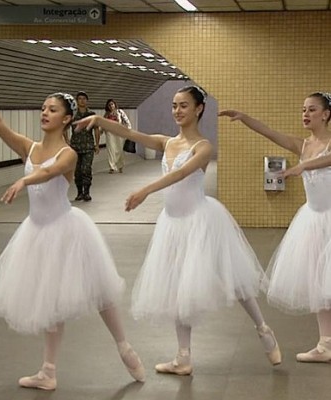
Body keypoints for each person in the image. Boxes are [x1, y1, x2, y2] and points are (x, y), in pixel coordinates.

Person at [0, 78, 145, 390]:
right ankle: (48, 371)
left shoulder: (69, 153)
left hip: (67, 229)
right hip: (36, 232)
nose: (45, 113)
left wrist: (25, 181)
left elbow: (50, 172)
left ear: (66, 118)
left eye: (52, 109)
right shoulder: (30, 147)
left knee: (100, 291)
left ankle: (124, 346)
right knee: (51, 300)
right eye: (43, 108)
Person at [75, 85, 281, 375]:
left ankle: (262, 327)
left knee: (234, 278)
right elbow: (131, 135)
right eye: (174, 105)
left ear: (198, 109)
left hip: (201, 220)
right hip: (172, 225)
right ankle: (183, 356)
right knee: (178, 289)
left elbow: (181, 174)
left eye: (183, 105)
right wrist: (99, 121)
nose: (177, 111)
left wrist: (146, 189)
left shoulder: (204, 147)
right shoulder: (166, 142)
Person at [219, 91, 331, 363]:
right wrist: (245, 118)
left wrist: (302, 167)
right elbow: (270, 133)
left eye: (312, 110)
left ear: (327, 114)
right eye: (303, 109)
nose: (305, 114)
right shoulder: (303, 145)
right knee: (321, 284)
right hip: (313, 222)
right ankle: (325, 344)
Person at [69, 91, 100, 201]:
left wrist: (97, 144)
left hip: (88, 146)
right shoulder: (72, 114)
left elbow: (96, 129)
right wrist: (66, 142)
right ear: (77, 101)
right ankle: (79, 192)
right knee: (77, 171)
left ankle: (86, 192)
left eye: (84, 99)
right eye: (79, 99)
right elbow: (64, 127)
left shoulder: (91, 114)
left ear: (87, 101)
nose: (82, 101)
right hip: (75, 147)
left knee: (86, 169)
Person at [103, 99, 131, 173]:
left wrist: (129, 130)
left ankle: (120, 166)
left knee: (120, 149)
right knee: (111, 150)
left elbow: (126, 121)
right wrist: (102, 131)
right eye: (109, 105)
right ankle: (112, 167)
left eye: (112, 104)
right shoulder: (106, 114)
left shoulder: (120, 112)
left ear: (115, 104)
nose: (111, 106)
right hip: (110, 133)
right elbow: (103, 123)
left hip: (119, 133)